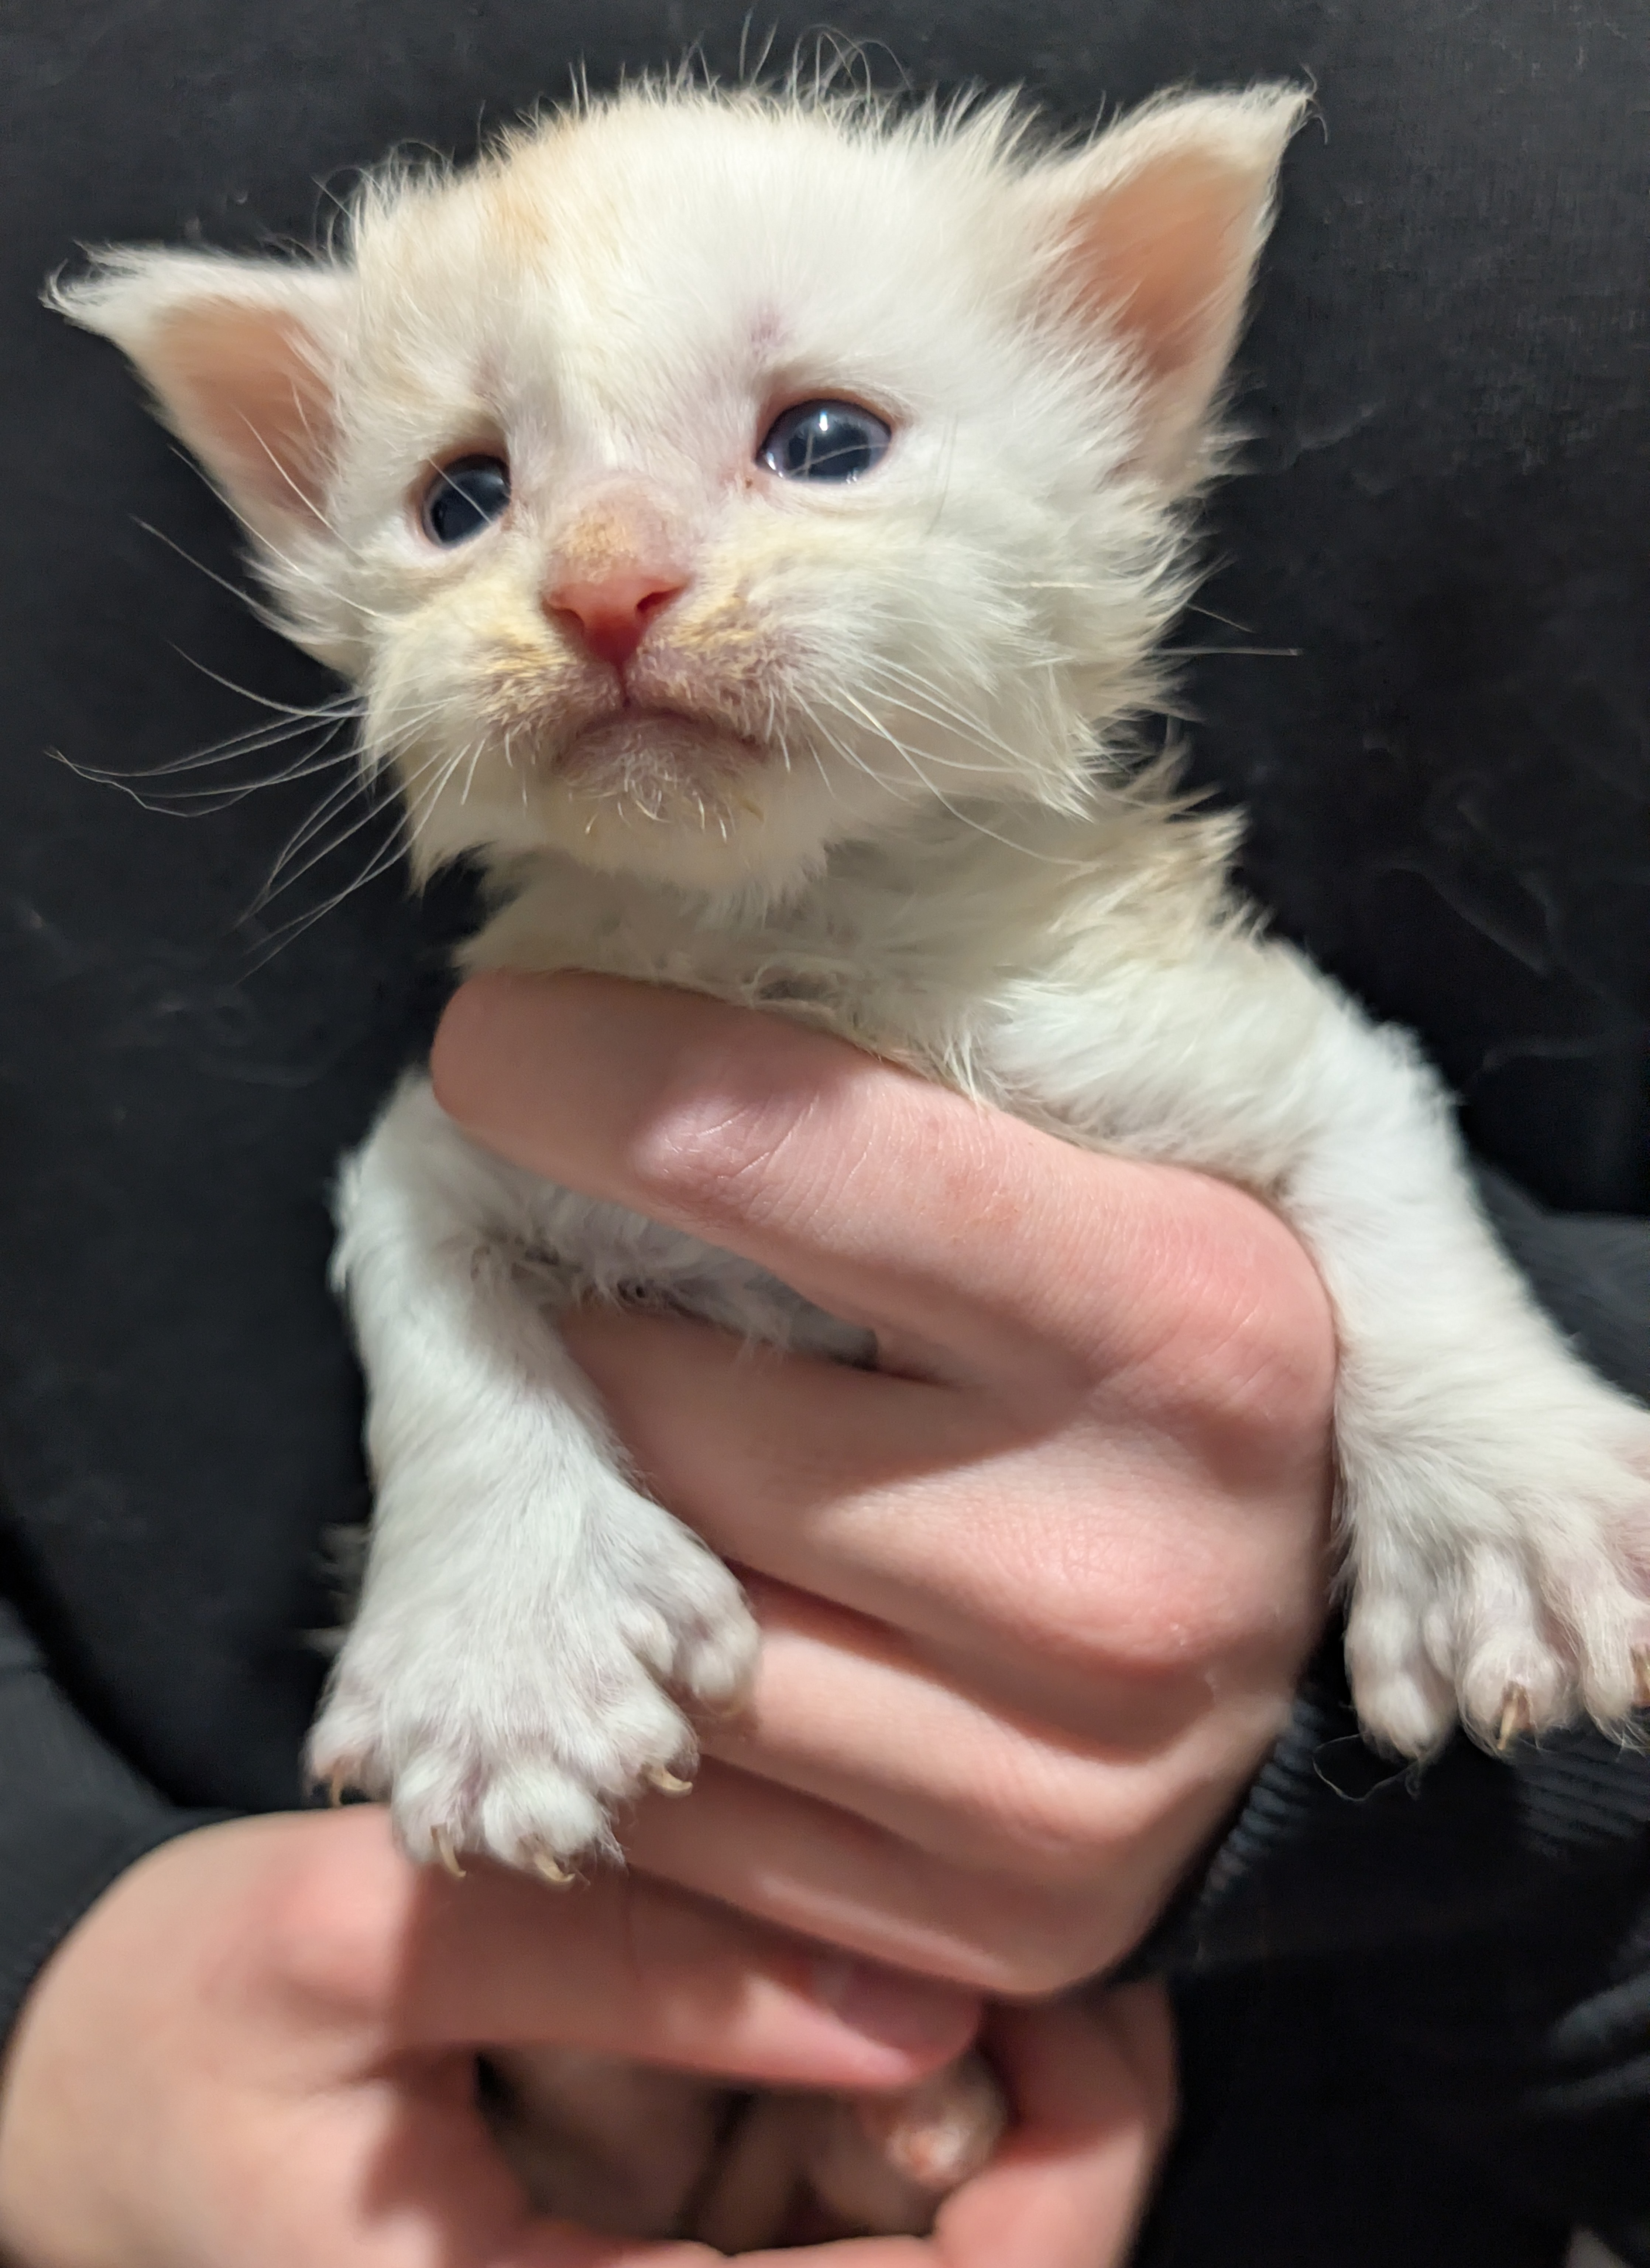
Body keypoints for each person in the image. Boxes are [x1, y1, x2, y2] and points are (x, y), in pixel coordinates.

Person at [1, 1, 1646, 2262]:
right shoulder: (499, 1094)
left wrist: (1468, 1415)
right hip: (374, 2041)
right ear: (310, 540)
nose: (599, 574)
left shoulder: (1134, 1001)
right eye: (459, 498)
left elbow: (1333, 1106)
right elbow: (424, 1211)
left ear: (1124, 395)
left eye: (821, 438)